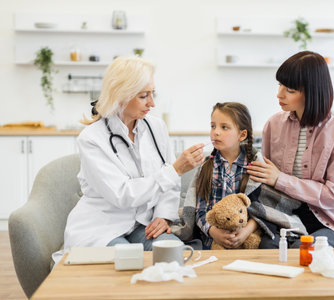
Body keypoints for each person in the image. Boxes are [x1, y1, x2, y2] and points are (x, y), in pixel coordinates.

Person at [62, 56, 205, 252]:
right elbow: (122, 194)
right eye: (144, 96)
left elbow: (170, 185)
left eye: (152, 93)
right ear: (121, 95)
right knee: (126, 261)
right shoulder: (92, 139)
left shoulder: (156, 128)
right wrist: (176, 169)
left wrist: (163, 215)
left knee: (174, 253)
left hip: (143, 223)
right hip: (103, 227)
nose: (152, 103)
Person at [245, 51, 334, 249]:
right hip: (282, 217)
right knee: (266, 249)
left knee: (305, 251)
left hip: (326, 220)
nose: (279, 94)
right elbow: (264, 183)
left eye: (290, 90)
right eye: (280, 85)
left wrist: (280, 179)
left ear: (312, 91)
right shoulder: (273, 124)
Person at [171, 102, 263, 249]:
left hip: (246, 240)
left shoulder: (256, 166)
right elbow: (199, 210)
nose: (216, 132)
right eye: (213, 126)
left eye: (224, 127)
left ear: (242, 134)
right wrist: (213, 232)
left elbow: (263, 208)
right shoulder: (207, 167)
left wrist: (245, 232)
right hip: (212, 242)